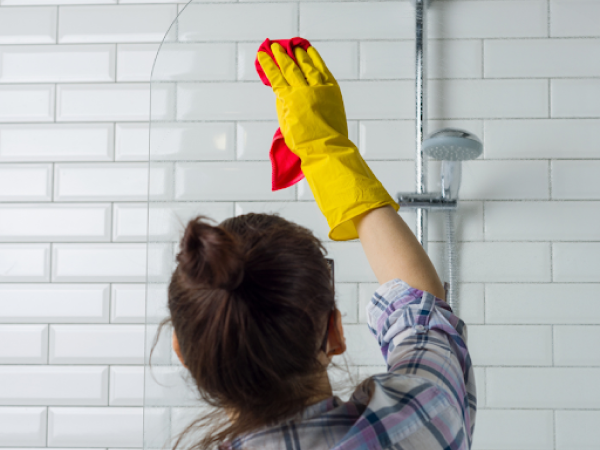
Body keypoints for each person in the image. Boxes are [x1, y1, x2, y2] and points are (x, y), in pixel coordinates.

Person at [165, 42, 476, 450]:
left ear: (184, 354)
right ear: (334, 331)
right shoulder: (418, 418)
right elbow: (424, 312)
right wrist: (327, 152)